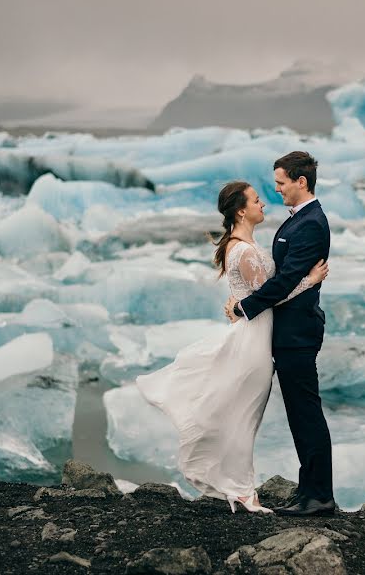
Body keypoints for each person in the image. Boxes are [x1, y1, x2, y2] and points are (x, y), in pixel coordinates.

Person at [135, 178, 328, 514]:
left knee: (242, 415)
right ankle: (241, 489)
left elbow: (257, 292)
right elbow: (272, 295)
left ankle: (238, 486)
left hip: (257, 338)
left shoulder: (243, 246)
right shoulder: (244, 249)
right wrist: (309, 281)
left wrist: (239, 303)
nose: (263, 203)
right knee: (242, 417)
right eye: (255, 200)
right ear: (241, 210)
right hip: (253, 343)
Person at [224, 151, 336, 517]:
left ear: (300, 182)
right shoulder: (298, 220)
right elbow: (279, 277)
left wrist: (245, 307)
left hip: (297, 332)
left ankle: (318, 496)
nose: (277, 190)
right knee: (300, 414)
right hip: (288, 331)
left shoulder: (310, 223)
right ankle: (309, 492)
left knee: (306, 412)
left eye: (281, 183)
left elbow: (286, 280)